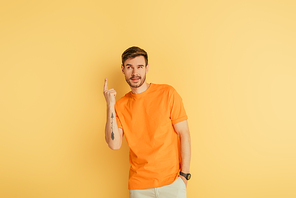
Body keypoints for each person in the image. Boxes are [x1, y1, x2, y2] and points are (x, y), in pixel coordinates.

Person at [103, 46, 191, 198]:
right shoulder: (120, 105)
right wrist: (110, 105)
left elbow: (184, 134)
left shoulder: (167, 93)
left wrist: (184, 176)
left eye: (140, 67)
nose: (135, 73)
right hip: (139, 187)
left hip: (172, 183)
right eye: (129, 67)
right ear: (123, 69)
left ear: (147, 68)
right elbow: (114, 144)